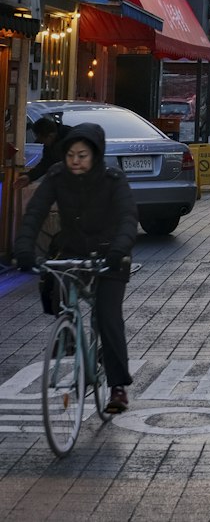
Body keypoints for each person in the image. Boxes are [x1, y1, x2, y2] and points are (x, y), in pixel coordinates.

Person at [14, 123, 137, 415]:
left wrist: (120, 249)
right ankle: (67, 331)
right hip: (72, 250)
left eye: (82, 155)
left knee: (107, 316)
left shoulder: (112, 178)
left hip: (110, 254)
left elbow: (128, 216)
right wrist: (24, 248)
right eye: (70, 154)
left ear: (95, 155)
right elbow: (36, 212)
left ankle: (118, 386)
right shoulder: (57, 175)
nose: (76, 161)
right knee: (52, 284)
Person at [17, 116, 66, 187]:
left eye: (41, 139)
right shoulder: (51, 144)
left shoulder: (70, 142)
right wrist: (29, 177)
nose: (41, 143)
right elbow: (45, 163)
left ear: (50, 136)